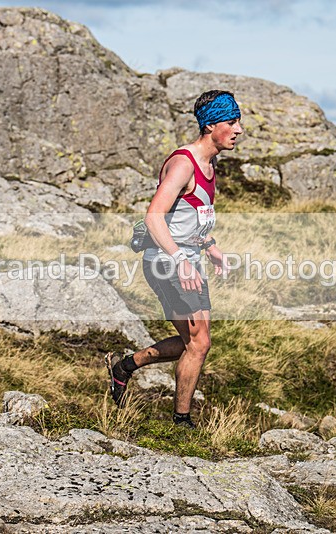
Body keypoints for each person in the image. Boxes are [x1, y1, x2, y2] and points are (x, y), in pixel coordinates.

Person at [105, 90, 244, 429]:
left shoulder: (211, 163)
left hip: (188, 258)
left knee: (194, 342)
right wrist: (181, 259)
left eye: (239, 121)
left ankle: (125, 367)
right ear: (210, 125)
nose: (239, 129)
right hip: (165, 261)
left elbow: (190, 216)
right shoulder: (184, 164)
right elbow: (154, 217)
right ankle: (181, 423)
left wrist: (209, 246)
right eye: (231, 122)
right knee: (199, 343)